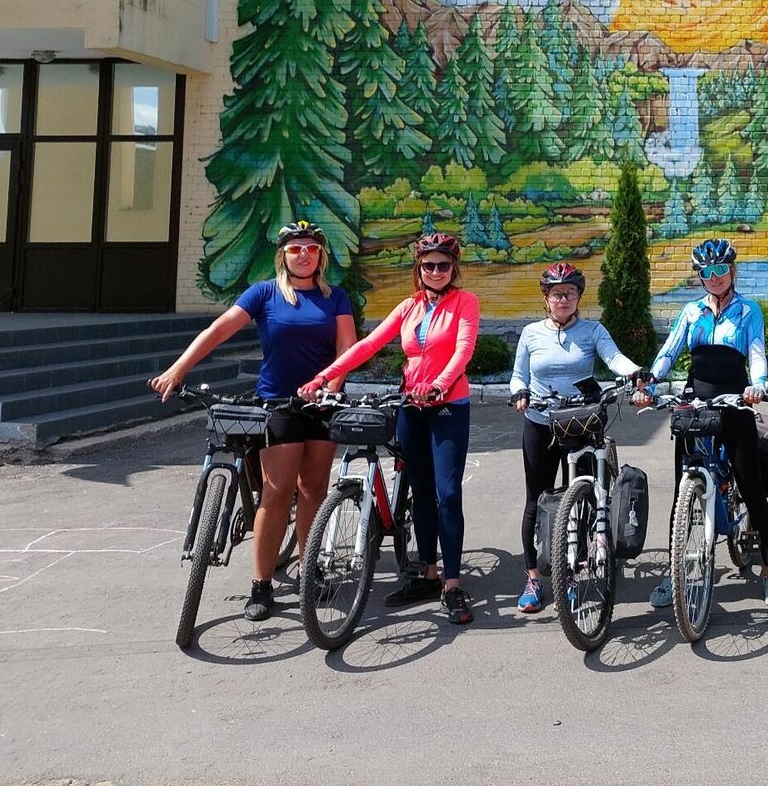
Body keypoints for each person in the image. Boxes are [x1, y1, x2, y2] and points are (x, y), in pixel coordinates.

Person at [149, 220, 355, 623]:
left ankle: (309, 568)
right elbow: (218, 330)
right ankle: (261, 585)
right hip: (278, 403)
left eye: (311, 248)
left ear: (321, 256)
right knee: (276, 493)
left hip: (322, 404)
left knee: (313, 489)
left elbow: (346, 348)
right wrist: (178, 368)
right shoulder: (265, 293)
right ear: (283, 256)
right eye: (295, 249)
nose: (304, 255)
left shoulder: (335, 297)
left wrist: (330, 387)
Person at [303, 231, 480, 626]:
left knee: (448, 494)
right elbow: (367, 345)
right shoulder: (409, 306)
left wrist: (439, 385)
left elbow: (463, 350)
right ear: (419, 268)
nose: (436, 271)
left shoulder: (465, 302)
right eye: (429, 265)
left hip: (448, 406)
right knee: (421, 493)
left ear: (453, 269)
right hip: (411, 407)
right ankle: (427, 574)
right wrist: (324, 376)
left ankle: (452, 584)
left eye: (443, 265)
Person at [635, 237, 768, 609]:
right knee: (681, 493)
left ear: (732, 271)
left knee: (751, 485)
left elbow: (756, 352)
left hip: (736, 400)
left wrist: (757, 385)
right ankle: (675, 573)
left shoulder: (748, 310)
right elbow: (669, 351)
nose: (715, 276)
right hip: (696, 402)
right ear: (700, 276)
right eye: (707, 272)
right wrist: (650, 384)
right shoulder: (691, 312)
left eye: (721, 269)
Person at [508, 262, 644, 613]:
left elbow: (614, 358)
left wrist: (633, 371)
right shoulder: (531, 333)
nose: (563, 299)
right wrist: (520, 391)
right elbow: (518, 375)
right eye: (556, 294)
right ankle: (533, 578)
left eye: (570, 293)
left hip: (581, 423)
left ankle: (570, 574)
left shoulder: (592, 330)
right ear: (546, 298)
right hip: (540, 423)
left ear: (579, 297)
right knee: (536, 500)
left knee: (581, 499)